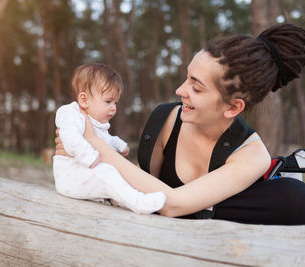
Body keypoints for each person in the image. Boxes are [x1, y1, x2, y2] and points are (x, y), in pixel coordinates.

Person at [55, 24, 305, 225]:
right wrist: (83, 149)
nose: (180, 90)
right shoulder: (163, 122)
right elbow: (142, 185)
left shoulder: (251, 155)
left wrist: (97, 145)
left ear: (232, 108)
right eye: (187, 77)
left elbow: (171, 203)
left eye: (196, 87)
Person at [53, 63, 166, 214]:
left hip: (83, 175)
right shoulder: (70, 113)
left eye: (115, 102)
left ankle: (123, 199)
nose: (113, 107)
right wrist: (88, 156)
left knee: (114, 172)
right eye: (108, 101)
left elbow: (103, 139)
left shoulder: (96, 121)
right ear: (84, 100)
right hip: (70, 176)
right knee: (108, 173)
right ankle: (138, 203)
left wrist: (118, 144)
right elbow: (70, 137)